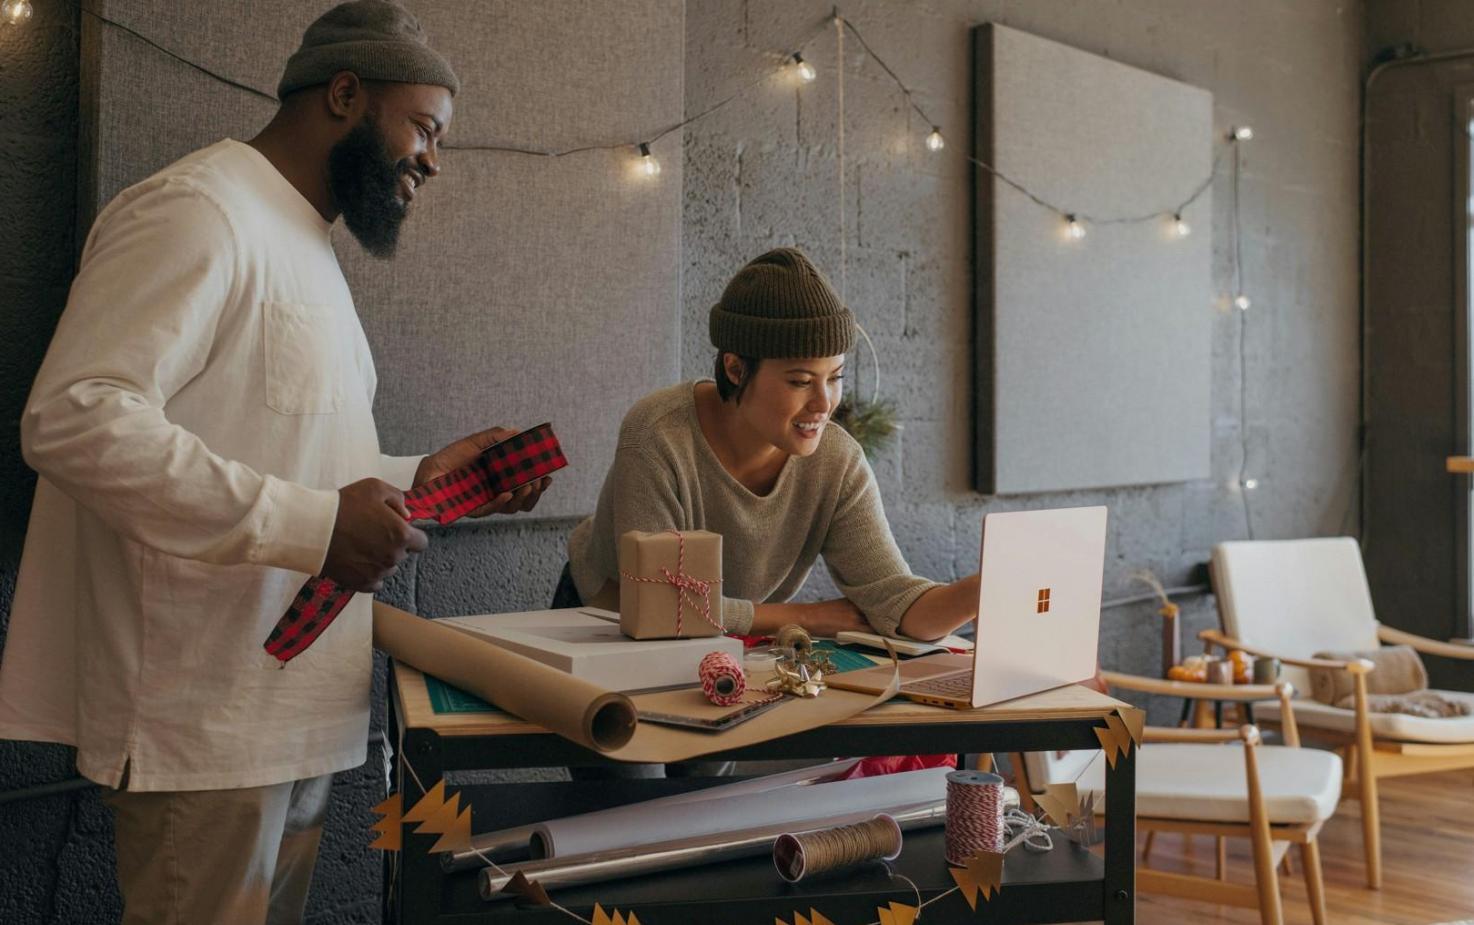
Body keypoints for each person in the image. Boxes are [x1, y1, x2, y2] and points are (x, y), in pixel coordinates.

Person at [0, 3, 547, 923]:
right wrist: (317, 525)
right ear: (343, 95)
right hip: (203, 719)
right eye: (423, 127)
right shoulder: (198, 209)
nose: (433, 159)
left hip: (294, 717)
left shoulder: (307, 245)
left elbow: (300, 459)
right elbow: (74, 417)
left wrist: (426, 480)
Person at [563, 246, 979, 643]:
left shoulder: (838, 461)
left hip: (731, 634)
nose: (824, 403)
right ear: (735, 368)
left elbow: (895, 602)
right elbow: (658, 602)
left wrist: (987, 587)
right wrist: (807, 617)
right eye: (800, 381)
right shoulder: (658, 433)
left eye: (835, 377)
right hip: (600, 627)